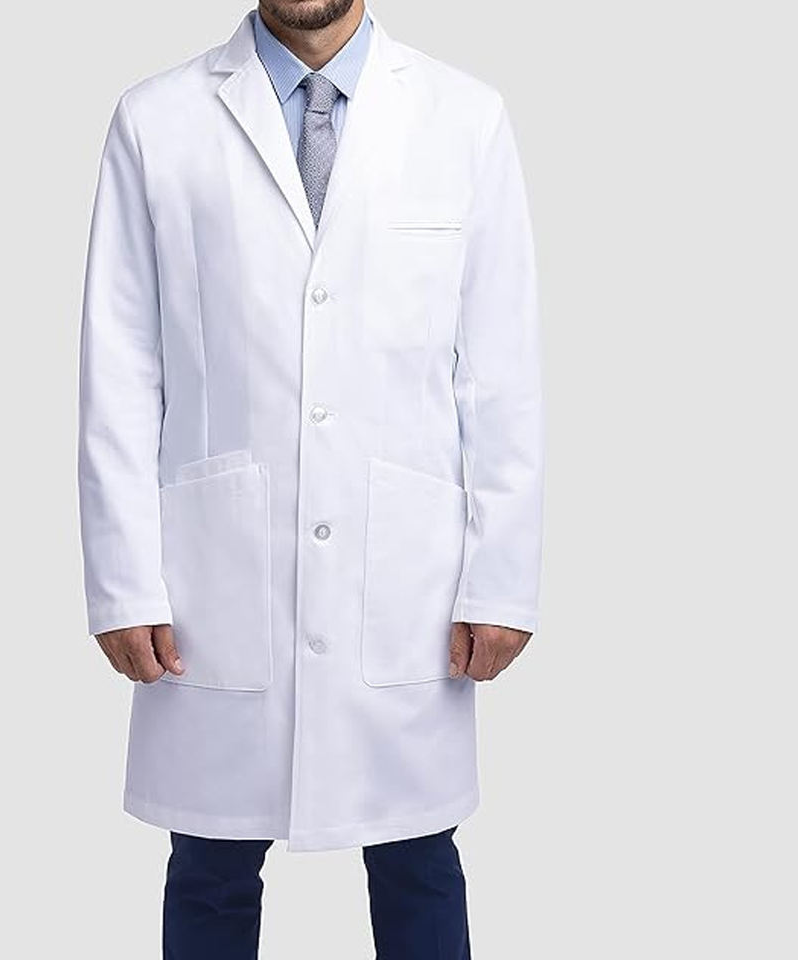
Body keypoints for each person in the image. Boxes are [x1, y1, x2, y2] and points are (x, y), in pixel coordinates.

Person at [78, 2, 542, 956]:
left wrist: (501, 579)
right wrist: (124, 582)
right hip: (216, 579)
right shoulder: (156, 121)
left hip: (404, 577)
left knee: (418, 858)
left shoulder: (465, 118)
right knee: (209, 865)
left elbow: (500, 373)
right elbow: (119, 370)